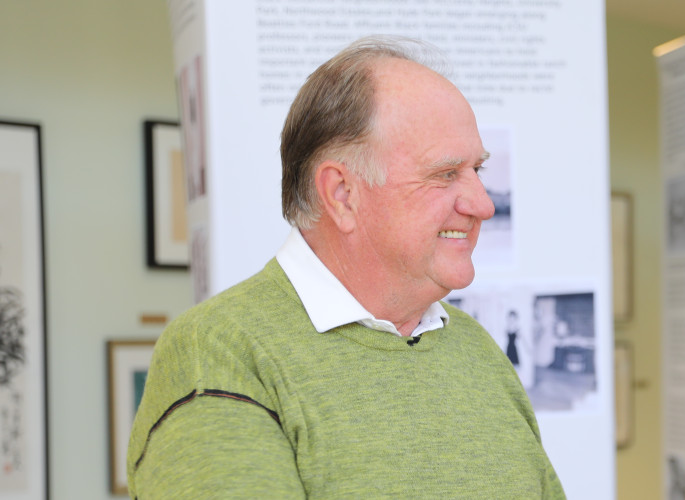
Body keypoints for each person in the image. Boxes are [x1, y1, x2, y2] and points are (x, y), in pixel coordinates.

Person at [126, 36, 565, 498]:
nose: (482, 204)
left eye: (480, 170)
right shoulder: (218, 353)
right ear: (342, 194)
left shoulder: (475, 348)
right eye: (445, 174)